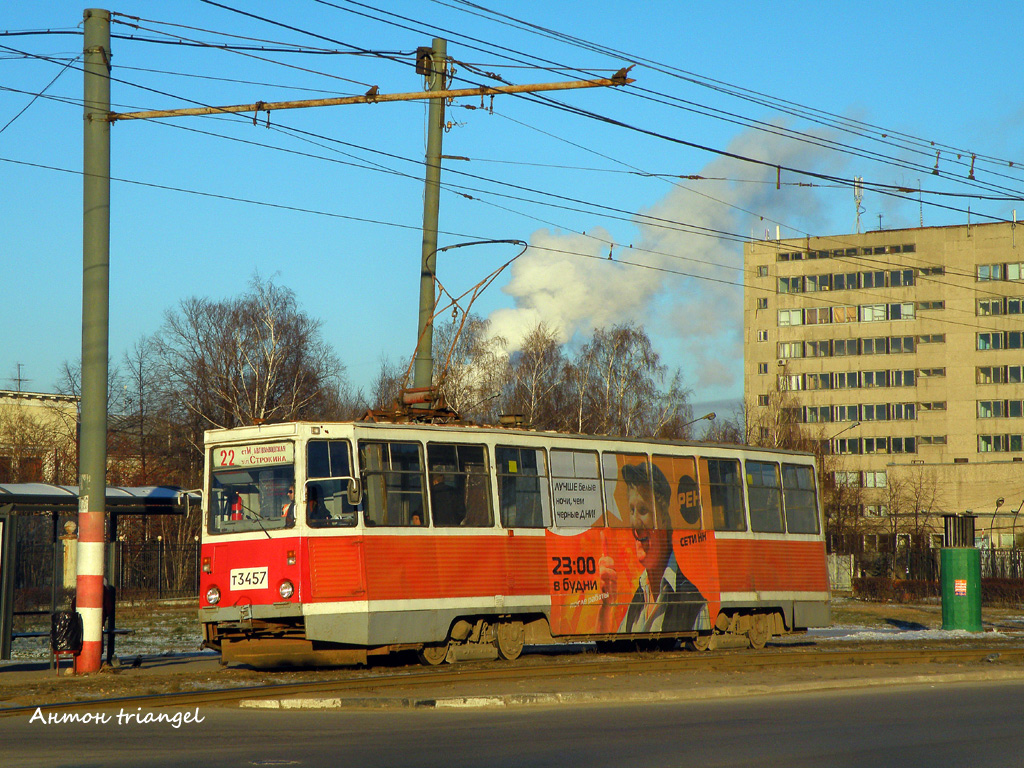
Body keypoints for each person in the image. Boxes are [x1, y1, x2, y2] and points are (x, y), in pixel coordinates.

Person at [598, 461, 709, 634]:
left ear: (664, 518)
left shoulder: (694, 605)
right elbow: (611, 645)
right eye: (631, 510)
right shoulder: (638, 600)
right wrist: (607, 607)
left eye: (643, 510)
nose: (634, 522)